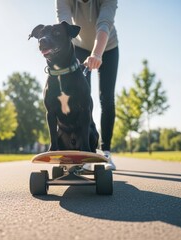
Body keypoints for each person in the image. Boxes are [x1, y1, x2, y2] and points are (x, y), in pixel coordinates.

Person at [56, 0, 118, 170]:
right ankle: (83, 149)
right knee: (80, 98)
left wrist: (97, 54)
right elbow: (64, 25)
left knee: (106, 98)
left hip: (108, 47)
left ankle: (105, 151)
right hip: (79, 47)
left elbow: (104, 24)